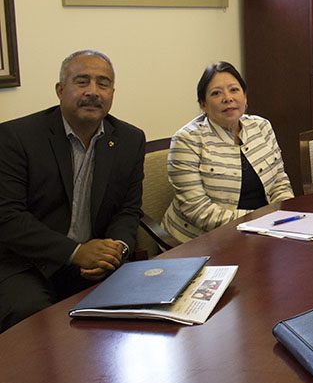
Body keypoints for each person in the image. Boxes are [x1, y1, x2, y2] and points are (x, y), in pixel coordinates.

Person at [0, 50, 145, 331]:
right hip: (25, 262)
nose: (93, 91)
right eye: (82, 81)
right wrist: (75, 251)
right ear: (60, 89)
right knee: (36, 321)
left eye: (103, 83)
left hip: (93, 261)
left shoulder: (130, 139)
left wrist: (116, 249)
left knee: (139, 309)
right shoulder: (16, 138)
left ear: (112, 92)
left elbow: (128, 210)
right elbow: (7, 217)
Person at [162, 62, 294, 243]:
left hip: (265, 230)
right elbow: (198, 211)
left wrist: (285, 214)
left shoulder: (262, 126)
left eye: (234, 90)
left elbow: (279, 181)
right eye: (216, 93)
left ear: (245, 97)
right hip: (204, 241)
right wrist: (261, 220)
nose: (228, 98)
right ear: (203, 105)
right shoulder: (187, 140)